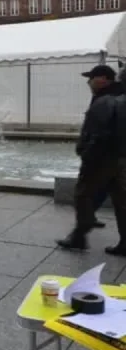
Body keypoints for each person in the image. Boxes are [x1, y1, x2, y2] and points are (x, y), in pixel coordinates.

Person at [57, 65, 126, 255]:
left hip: (101, 159)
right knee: (121, 201)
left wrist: (86, 154)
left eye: (91, 78)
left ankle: (79, 235)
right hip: (121, 158)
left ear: (103, 79)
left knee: (83, 194)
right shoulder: (120, 97)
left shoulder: (105, 101)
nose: (88, 82)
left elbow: (96, 134)